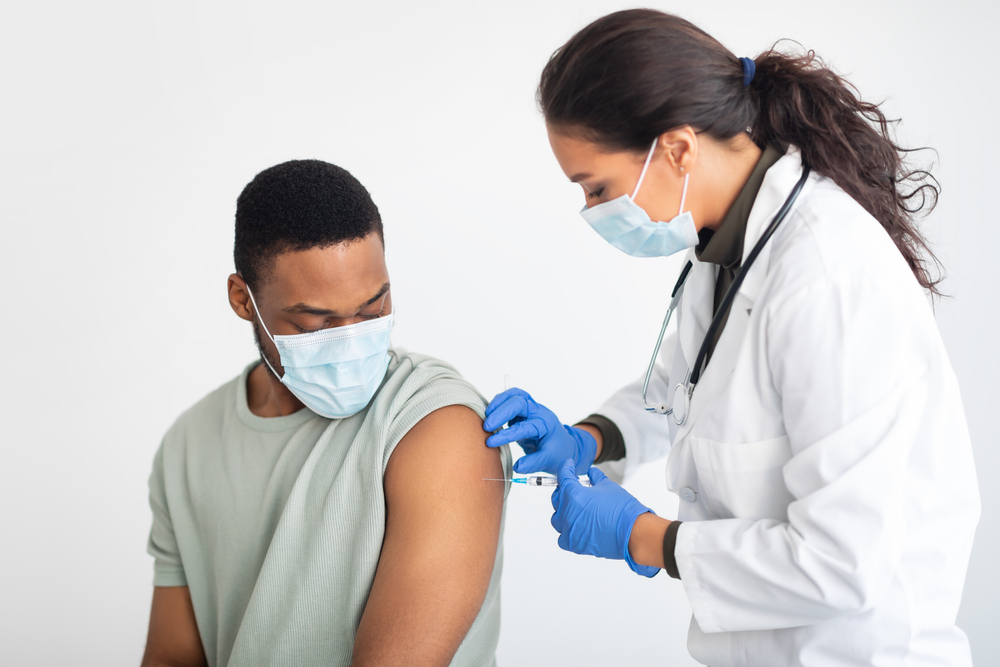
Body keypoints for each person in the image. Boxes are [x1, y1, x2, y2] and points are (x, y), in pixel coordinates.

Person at [484, 9, 979, 666]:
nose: (593, 212)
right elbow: (683, 394)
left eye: (597, 188)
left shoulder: (827, 276)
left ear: (677, 149)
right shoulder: (725, 246)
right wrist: (588, 437)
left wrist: (644, 537)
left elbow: (841, 562)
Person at [141, 159, 511, 667]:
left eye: (372, 309)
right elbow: (172, 657)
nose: (351, 337)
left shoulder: (437, 425)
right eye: (316, 322)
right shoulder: (188, 444)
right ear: (243, 300)